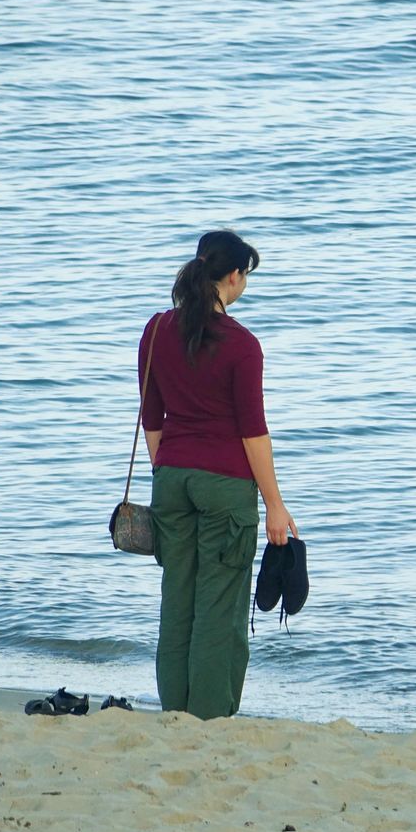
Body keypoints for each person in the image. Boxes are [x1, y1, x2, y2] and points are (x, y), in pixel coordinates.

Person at [140, 230, 296, 720]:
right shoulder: (242, 345)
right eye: (245, 274)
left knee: (177, 599)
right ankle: (209, 718)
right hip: (225, 486)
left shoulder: (157, 330)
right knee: (220, 608)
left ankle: (175, 713)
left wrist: (170, 470)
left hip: (171, 478)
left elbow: (152, 416)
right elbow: (253, 433)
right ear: (234, 276)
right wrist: (274, 503)